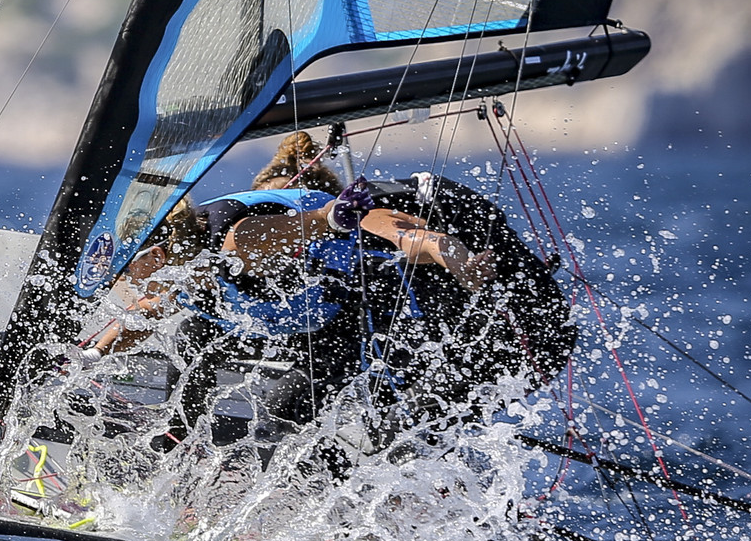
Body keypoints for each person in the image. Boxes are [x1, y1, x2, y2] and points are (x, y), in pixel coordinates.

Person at [88, 134, 574, 454]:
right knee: (193, 334)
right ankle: (177, 444)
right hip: (301, 317)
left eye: (127, 264)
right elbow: (142, 315)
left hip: (339, 326)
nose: (121, 277)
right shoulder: (182, 268)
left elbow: (398, 230)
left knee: (284, 416)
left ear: (157, 244)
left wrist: (453, 256)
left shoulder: (241, 238)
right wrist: (80, 357)